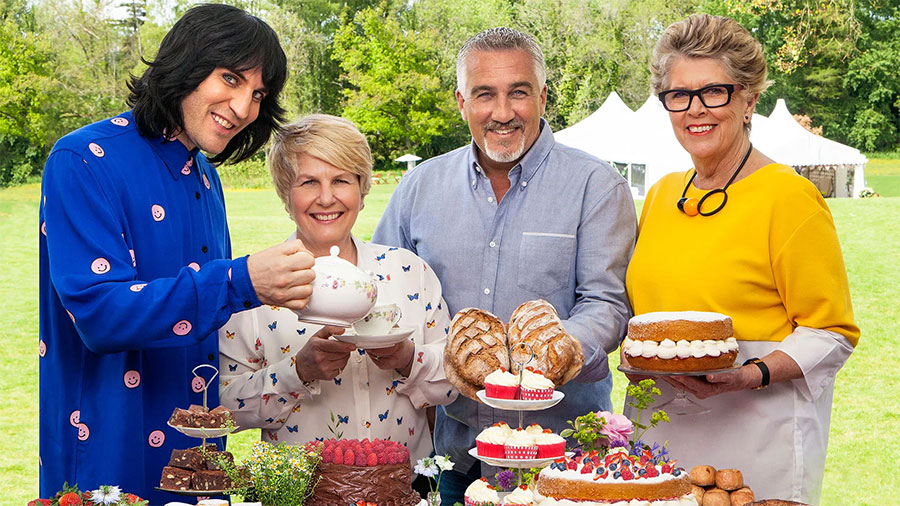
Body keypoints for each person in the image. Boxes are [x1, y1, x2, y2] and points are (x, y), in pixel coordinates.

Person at [37, 5, 316, 503]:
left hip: (198, 458)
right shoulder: (82, 159)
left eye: (258, 94)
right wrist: (240, 281)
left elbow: (207, 322)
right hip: (109, 453)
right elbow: (101, 315)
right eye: (229, 78)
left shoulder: (206, 177)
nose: (243, 106)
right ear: (185, 63)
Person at [372, 27, 636, 504]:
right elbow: (384, 291)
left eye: (519, 92)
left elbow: (608, 305)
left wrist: (552, 354)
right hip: (456, 456)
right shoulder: (419, 189)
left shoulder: (597, 186)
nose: (502, 112)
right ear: (461, 101)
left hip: (565, 462)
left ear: (542, 96)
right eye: (484, 94)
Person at [622, 14, 859, 504]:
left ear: (749, 98)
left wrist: (751, 373)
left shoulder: (788, 197)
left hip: (757, 438)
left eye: (714, 92)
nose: (694, 109)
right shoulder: (664, 194)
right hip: (659, 437)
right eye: (679, 95)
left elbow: (831, 332)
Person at [218, 114, 458, 495]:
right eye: (309, 182)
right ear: (285, 194)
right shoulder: (255, 288)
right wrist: (298, 371)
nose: (326, 197)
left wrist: (407, 358)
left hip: (407, 489)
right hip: (300, 494)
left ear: (363, 192)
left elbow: (453, 382)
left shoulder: (409, 272)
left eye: (342, 180)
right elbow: (225, 408)